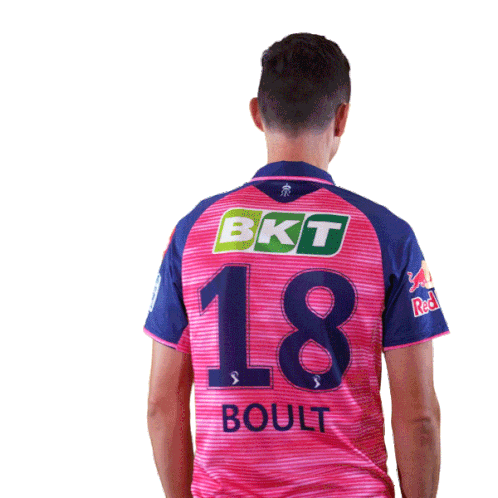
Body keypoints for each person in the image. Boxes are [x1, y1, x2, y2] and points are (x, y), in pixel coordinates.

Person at [144, 31, 450, 498]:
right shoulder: (387, 235)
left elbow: (162, 405)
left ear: (256, 113)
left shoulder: (193, 231)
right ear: (342, 117)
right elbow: (419, 416)